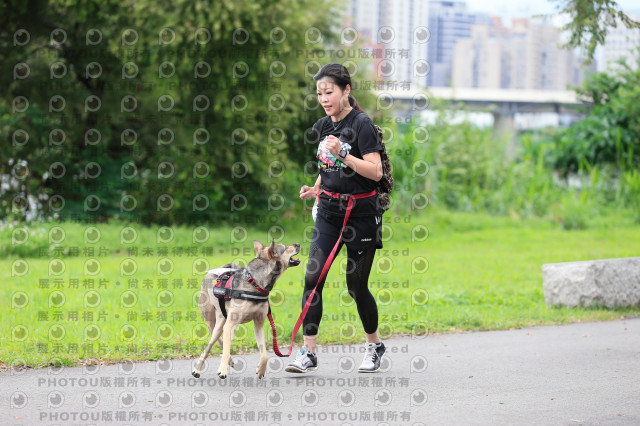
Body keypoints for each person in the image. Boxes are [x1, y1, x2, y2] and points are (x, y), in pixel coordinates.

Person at [285, 63, 386, 374]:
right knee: (312, 280)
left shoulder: (363, 125)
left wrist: (343, 153)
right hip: (329, 213)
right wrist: (316, 187)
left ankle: (374, 346)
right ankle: (309, 353)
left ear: (346, 91)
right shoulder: (322, 126)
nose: (324, 98)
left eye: (329, 92)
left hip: (361, 216)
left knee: (356, 284)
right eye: (319, 93)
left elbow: (375, 171)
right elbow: (325, 165)